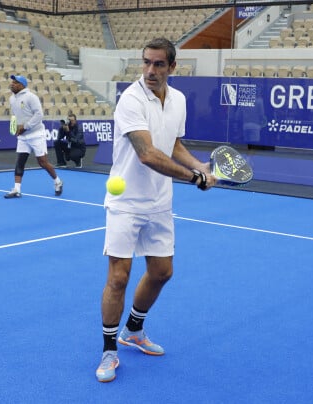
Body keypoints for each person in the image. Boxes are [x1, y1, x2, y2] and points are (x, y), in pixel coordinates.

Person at [95, 38, 218, 383]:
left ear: (172, 67)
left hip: (160, 203)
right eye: (146, 62)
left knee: (162, 272)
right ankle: (108, 350)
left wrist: (200, 165)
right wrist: (195, 177)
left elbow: (172, 143)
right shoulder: (130, 100)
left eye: (158, 64)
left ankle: (133, 330)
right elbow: (148, 154)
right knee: (118, 277)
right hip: (126, 204)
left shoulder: (177, 100)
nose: (150, 70)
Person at [4, 74, 63, 198]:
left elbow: (39, 115)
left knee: (42, 162)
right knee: (20, 161)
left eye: (15, 82)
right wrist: (13, 127)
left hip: (36, 134)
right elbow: (14, 115)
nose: (12, 84)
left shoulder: (31, 97)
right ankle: (16, 189)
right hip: (23, 137)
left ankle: (57, 181)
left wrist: (25, 127)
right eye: (12, 82)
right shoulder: (11, 98)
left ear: (22, 85)